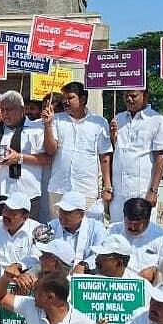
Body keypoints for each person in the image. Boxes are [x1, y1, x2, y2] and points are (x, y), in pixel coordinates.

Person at [43, 81, 113, 222]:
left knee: (87, 229)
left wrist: (107, 186)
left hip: (86, 189)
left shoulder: (99, 122)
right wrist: (48, 125)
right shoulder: (56, 120)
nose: (65, 102)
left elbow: (104, 156)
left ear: (82, 99)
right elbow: (50, 150)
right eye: (64, 98)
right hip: (59, 187)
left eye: (70, 98)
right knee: (58, 229)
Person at [0, 91, 49, 221]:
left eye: (9, 109)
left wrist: (19, 158)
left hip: (25, 191)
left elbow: (46, 158)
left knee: (26, 234)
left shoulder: (36, 129)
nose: (5, 113)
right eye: (3, 109)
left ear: (21, 110)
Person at [108, 88, 163, 224]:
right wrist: (113, 137)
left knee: (142, 233)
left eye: (133, 95)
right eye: (125, 95)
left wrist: (153, 190)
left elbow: (161, 157)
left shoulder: (158, 120)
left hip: (142, 191)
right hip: (118, 192)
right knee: (117, 233)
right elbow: (115, 152)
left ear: (145, 96)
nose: (128, 99)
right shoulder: (118, 119)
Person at [109, 197, 163, 273]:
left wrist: (155, 272)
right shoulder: (112, 231)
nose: (132, 228)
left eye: (137, 225)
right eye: (129, 223)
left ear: (148, 220)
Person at [46, 194, 107, 269]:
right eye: (61, 210)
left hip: (86, 274)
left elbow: (100, 254)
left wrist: (85, 265)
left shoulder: (97, 228)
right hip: (56, 273)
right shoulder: (52, 226)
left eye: (67, 212)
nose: (61, 215)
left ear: (81, 215)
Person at [0, 195, 39, 276]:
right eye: (5, 209)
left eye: (12, 213)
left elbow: (36, 257)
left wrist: (19, 266)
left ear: (25, 217)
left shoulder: (36, 230)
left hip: (21, 278)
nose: (6, 214)